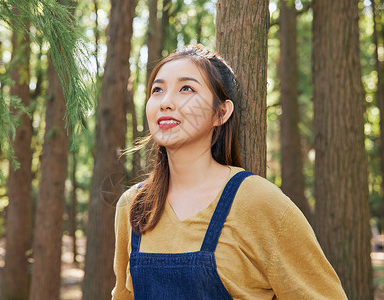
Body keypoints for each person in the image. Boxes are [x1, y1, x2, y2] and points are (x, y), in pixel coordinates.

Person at [112, 44, 347, 299]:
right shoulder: (133, 205)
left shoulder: (258, 201)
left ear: (221, 113)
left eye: (186, 89)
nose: (166, 102)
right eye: (157, 90)